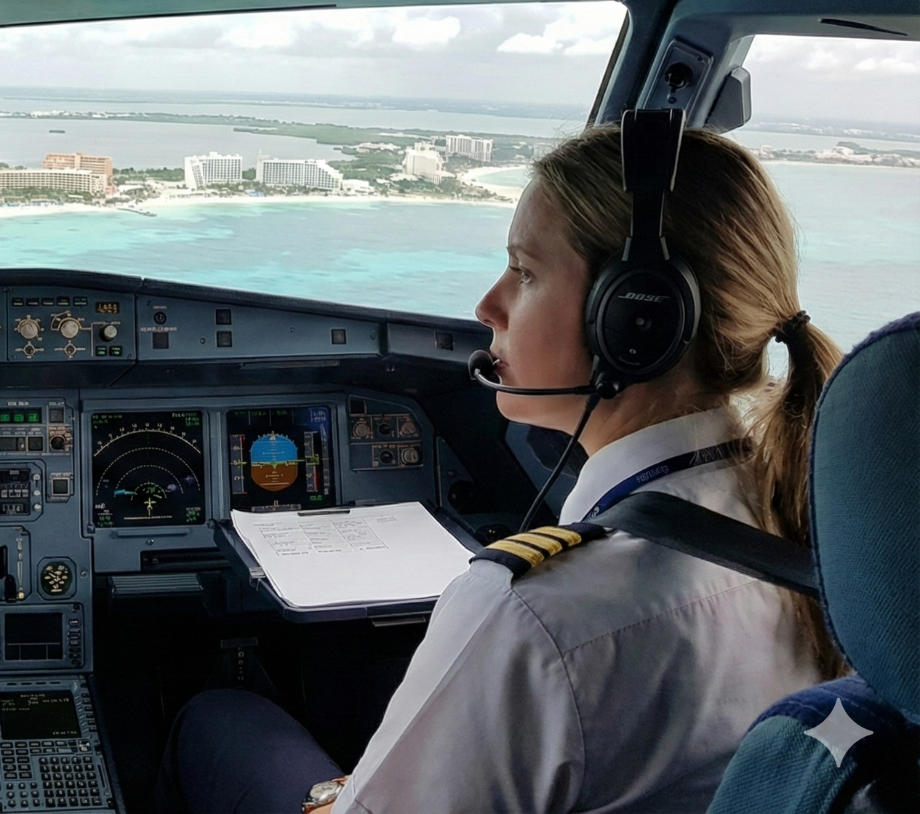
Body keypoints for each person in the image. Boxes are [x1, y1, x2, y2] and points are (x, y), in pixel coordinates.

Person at [160, 123, 841, 813]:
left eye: (524, 271)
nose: (488, 305)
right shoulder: (822, 529)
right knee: (374, 684)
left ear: (638, 319)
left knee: (218, 718)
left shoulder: (533, 614)